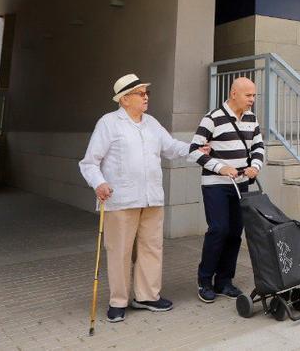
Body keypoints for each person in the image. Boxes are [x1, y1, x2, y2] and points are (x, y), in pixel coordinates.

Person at [79, 73, 210, 323]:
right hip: (121, 200)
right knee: (119, 252)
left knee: (151, 249)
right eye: (141, 93)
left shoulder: (151, 123)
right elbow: (89, 162)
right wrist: (99, 183)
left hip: (152, 200)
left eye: (146, 92)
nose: (146, 97)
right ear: (125, 99)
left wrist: (195, 149)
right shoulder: (108, 123)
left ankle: (147, 296)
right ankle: (118, 301)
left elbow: (171, 147)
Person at [190, 77, 265, 304]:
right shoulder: (212, 118)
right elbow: (194, 150)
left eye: (254, 95)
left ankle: (224, 281)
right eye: (248, 95)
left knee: (234, 233)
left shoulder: (251, 118)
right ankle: (204, 280)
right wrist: (220, 167)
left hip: (241, 184)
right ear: (234, 94)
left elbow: (259, 146)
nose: (252, 100)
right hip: (216, 186)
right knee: (219, 230)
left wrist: (255, 166)